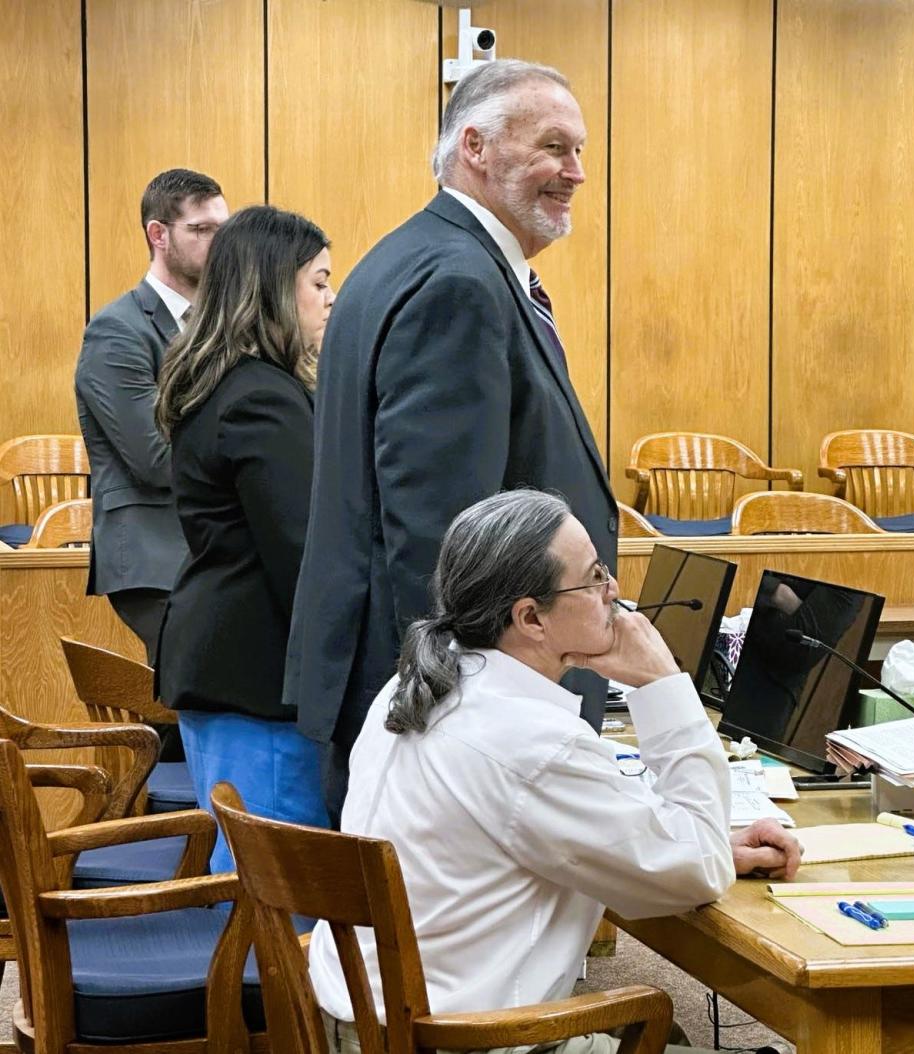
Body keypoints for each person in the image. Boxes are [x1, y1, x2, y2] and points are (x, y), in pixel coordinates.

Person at [309, 489, 801, 1054]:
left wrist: (701, 841)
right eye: (594, 578)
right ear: (531, 618)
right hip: (461, 1039)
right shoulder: (533, 742)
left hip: (366, 1024)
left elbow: (542, 825)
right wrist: (663, 682)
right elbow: (698, 875)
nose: (613, 592)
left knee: (669, 1033)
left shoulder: (415, 686)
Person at [286, 59, 619, 818]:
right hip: (446, 707)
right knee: (439, 933)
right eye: (554, 147)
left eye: (580, 151)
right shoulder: (458, 282)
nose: (576, 172)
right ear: (475, 146)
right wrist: (469, 709)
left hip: (402, 679)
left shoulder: (410, 257)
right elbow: (442, 532)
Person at [154, 204, 336, 871]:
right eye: (318, 281)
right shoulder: (263, 395)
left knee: (252, 893)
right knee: (282, 905)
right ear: (272, 286)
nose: (329, 296)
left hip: (229, 668)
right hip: (261, 680)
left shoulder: (226, 381)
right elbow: (306, 555)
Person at [75, 168, 229, 664]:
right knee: (204, 688)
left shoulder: (223, 323)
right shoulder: (116, 332)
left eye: (222, 230)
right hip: (155, 555)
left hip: (212, 549)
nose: (218, 243)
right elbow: (155, 458)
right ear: (158, 235)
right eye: (202, 230)